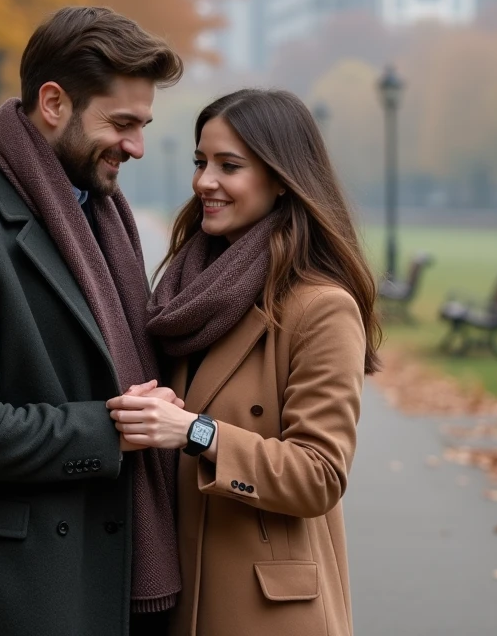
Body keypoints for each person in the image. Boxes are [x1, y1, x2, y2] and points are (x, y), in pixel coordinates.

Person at [0, 6, 185, 636]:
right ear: (53, 103)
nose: (136, 146)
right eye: (122, 123)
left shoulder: (104, 220)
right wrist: (107, 431)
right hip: (16, 594)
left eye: (143, 125)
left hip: (106, 574)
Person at [107, 89, 381, 636]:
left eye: (229, 166)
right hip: (173, 598)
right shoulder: (184, 294)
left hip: (266, 613)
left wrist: (196, 432)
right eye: (200, 162)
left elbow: (319, 475)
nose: (205, 181)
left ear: (282, 177)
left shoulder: (321, 307)